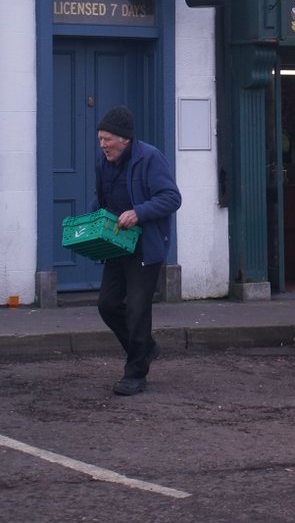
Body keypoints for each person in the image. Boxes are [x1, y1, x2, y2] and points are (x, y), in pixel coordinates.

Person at [92, 105, 182, 396]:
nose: (103, 145)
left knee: (137, 310)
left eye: (107, 139)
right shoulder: (103, 163)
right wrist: (92, 220)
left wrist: (139, 213)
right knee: (107, 304)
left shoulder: (150, 158)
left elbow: (171, 198)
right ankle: (146, 348)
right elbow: (102, 198)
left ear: (125, 139)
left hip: (146, 247)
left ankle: (135, 374)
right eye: (100, 139)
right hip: (117, 245)